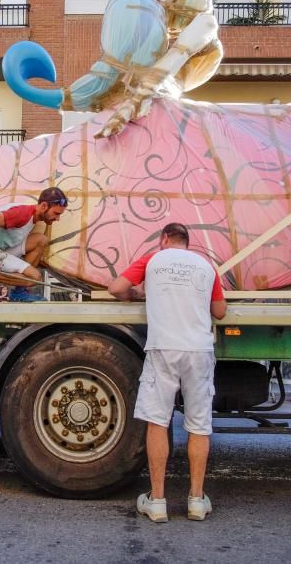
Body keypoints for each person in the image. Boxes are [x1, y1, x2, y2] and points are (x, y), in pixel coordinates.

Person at [108, 222, 227, 523]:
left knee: (158, 422)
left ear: (163, 239)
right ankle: (197, 501)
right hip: (199, 350)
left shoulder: (153, 259)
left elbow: (116, 288)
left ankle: (158, 500)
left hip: (163, 347)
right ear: (187, 242)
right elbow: (220, 311)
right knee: (199, 425)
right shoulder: (205, 264)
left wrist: (136, 296)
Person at [0, 187, 68, 302]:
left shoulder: (32, 217)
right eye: (56, 213)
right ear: (43, 206)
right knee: (35, 278)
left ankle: (19, 292)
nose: (58, 219)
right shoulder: (23, 213)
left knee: (41, 240)